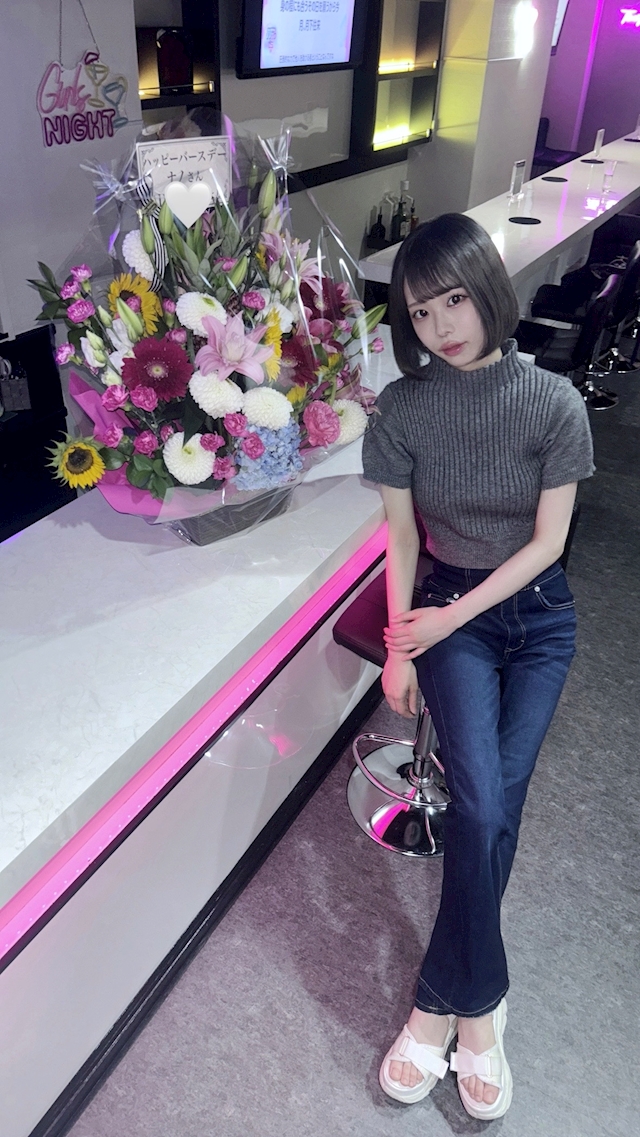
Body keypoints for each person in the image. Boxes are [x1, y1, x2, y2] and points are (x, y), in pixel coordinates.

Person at [361, 213, 594, 1119]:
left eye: (454, 300)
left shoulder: (554, 403)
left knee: (498, 806)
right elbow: (400, 537)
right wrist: (402, 644)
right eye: (420, 312)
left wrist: (440, 621)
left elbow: (549, 543)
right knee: (483, 807)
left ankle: (438, 1002)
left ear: (488, 291)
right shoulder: (404, 409)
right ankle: (481, 1011)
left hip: (536, 621)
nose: (440, 326)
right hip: (450, 612)